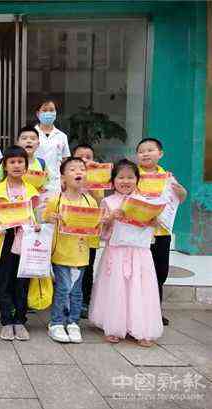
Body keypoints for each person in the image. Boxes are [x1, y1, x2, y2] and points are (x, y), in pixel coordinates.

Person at [90, 159, 164, 346]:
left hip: (140, 253)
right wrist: (110, 218)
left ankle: (142, 329)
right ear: (113, 181)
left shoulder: (146, 202)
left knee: (140, 288)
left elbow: (153, 229)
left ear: (137, 180)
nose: (125, 181)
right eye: (121, 177)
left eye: (130, 177)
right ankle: (114, 327)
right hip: (116, 252)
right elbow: (100, 232)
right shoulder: (108, 202)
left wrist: (154, 222)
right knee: (116, 288)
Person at [42, 157, 99, 343]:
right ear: (63, 178)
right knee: (63, 288)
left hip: (81, 254)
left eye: (82, 169)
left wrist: (100, 223)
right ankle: (56, 322)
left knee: (76, 291)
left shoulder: (90, 201)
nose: (78, 172)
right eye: (72, 169)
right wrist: (51, 218)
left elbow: (94, 227)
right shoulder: (56, 200)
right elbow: (45, 219)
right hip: (60, 253)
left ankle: (73, 322)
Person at [136, 138, 187, 326]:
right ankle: (137, 310)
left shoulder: (167, 177)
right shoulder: (133, 175)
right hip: (140, 233)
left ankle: (155, 310)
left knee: (160, 271)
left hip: (161, 233)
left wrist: (182, 193)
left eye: (150, 150)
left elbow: (178, 198)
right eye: (141, 151)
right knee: (140, 272)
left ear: (160, 154)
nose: (145, 154)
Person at [0, 146, 40, 341]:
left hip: (25, 239)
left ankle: (20, 321)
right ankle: (6, 321)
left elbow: (34, 216)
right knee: (3, 281)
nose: (16, 165)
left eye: (20, 162)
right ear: (5, 166)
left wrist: (36, 226)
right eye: (12, 162)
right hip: (4, 239)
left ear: (26, 166)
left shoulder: (31, 190)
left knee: (22, 281)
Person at [72, 144, 104, 319]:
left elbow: (100, 202)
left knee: (87, 266)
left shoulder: (97, 180)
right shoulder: (67, 178)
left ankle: (85, 301)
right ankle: (66, 300)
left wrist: (92, 182)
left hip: (89, 230)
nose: (85, 160)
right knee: (66, 266)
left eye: (88, 157)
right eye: (80, 157)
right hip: (70, 231)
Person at [33, 100, 70, 193]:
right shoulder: (31, 134)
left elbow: (65, 159)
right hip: (34, 181)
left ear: (55, 113)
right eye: (44, 110)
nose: (48, 113)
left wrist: (63, 178)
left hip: (55, 183)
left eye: (51, 110)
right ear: (38, 114)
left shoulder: (62, 136)